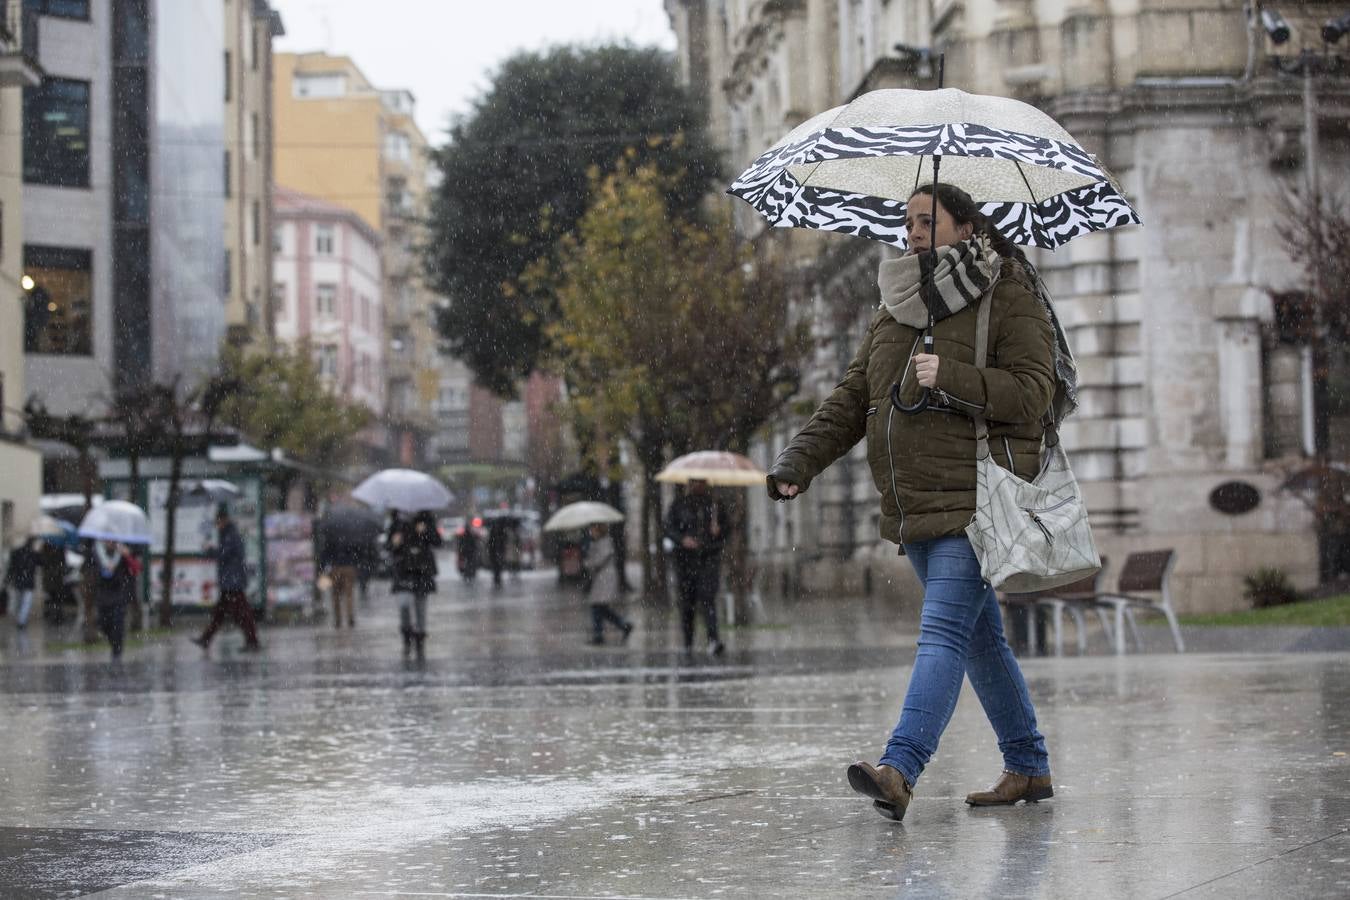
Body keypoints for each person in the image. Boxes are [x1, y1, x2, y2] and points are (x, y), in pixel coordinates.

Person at [767, 182, 1057, 822]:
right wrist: (798, 462)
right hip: (914, 503)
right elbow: (851, 399)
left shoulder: (1006, 292)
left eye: (928, 220)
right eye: (908, 220)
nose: (914, 231)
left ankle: (899, 769)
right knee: (980, 641)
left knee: (943, 634)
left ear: (964, 225)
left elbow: (1034, 394)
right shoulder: (897, 305)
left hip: (979, 496)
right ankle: (1028, 765)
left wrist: (950, 376)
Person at [664, 479, 730, 655]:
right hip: (685, 562)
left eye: (701, 482)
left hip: (708, 559)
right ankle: (688, 642)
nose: (698, 485)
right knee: (687, 603)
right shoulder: (679, 505)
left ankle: (713, 639)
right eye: (695, 482)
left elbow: (726, 530)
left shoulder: (714, 505)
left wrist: (719, 531)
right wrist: (682, 539)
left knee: (708, 599)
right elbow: (668, 528)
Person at [192, 506, 261, 652]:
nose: (217, 525)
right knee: (222, 613)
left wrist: (210, 550)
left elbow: (224, 554)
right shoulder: (228, 533)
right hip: (230, 581)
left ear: (223, 520)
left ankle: (252, 641)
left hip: (232, 582)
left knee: (240, 613)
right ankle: (206, 638)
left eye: (218, 522)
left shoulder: (231, 534)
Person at [390, 509, 442, 660]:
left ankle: (420, 638)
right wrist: (395, 542)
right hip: (403, 570)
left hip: (422, 569)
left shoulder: (426, 519)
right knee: (404, 605)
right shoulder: (397, 522)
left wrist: (424, 532)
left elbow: (437, 541)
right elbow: (390, 547)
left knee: (421, 607)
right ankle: (406, 636)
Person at [582, 522, 633, 646]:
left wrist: (588, 562)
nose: (591, 532)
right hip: (601, 579)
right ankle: (623, 625)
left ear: (599, 530)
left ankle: (599, 635)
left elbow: (598, 561)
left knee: (597, 606)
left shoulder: (604, 543)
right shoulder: (598, 543)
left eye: (593, 530)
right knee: (601, 608)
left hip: (605, 579)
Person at [93, 541, 140, 659]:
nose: (109, 542)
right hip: (103, 595)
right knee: (104, 624)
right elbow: (90, 570)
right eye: (107, 539)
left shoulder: (124, 551)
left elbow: (136, 569)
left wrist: (127, 555)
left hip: (119, 594)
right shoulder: (96, 551)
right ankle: (114, 644)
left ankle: (117, 652)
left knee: (118, 624)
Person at [4, 537, 41, 630]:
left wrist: (7, 579)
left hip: (19, 581)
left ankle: (20, 619)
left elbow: (11, 567)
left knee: (20, 601)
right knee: (25, 602)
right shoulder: (33, 554)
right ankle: (21, 620)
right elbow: (41, 563)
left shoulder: (17, 552)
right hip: (27, 582)